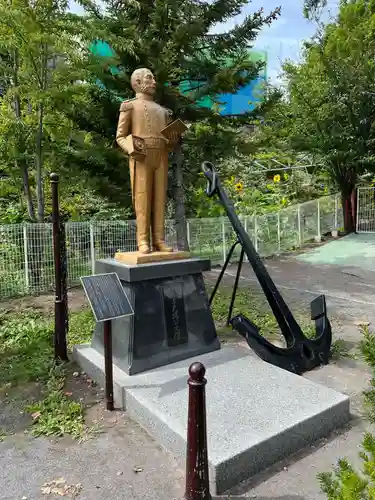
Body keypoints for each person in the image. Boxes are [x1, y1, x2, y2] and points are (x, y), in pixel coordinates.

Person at [116, 68, 177, 254]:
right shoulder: (129, 106)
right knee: (142, 198)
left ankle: (159, 239)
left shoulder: (163, 111)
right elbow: (120, 136)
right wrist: (130, 148)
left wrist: (172, 140)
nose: (154, 82)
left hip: (161, 156)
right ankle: (143, 240)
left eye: (153, 78)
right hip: (141, 156)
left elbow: (168, 142)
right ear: (137, 82)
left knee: (160, 199)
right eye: (149, 78)